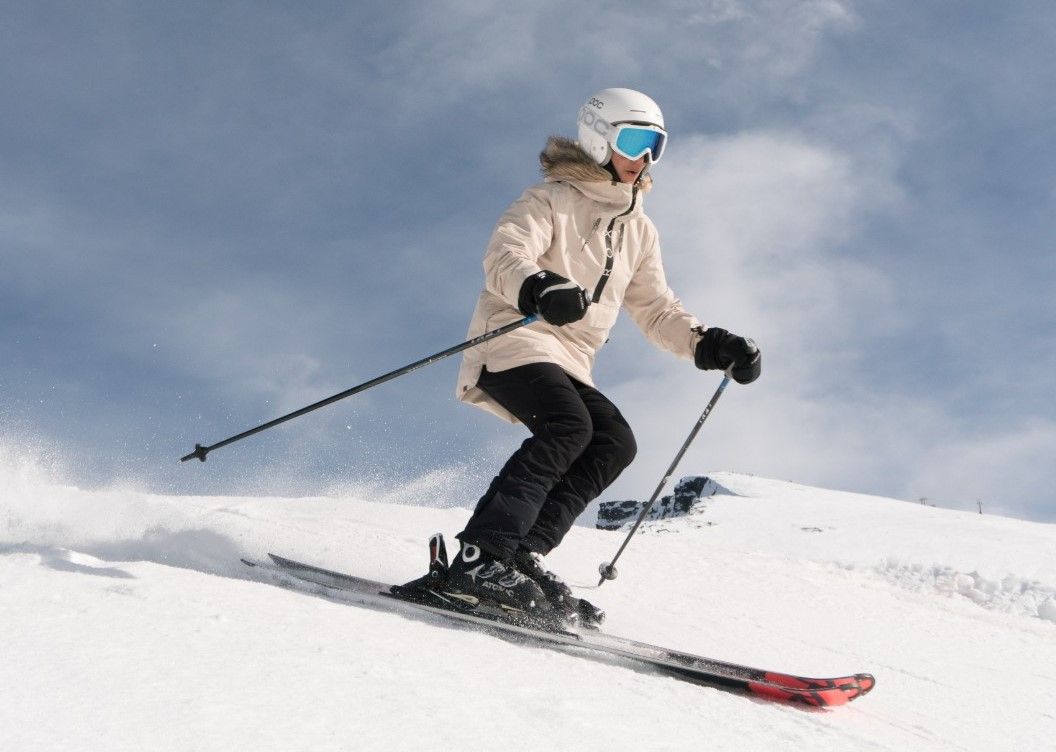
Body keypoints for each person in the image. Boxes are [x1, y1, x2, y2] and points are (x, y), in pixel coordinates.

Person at [444, 88, 761, 625]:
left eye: (657, 146)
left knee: (614, 443)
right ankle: (481, 556)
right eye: (635, 141)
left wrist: (707, 344)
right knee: (568, 427)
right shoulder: (549, 199)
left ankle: (520, 554)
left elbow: (657, 309)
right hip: (513, 336)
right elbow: (505, 253)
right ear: (598, 139)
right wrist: (538, 285)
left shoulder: (639, 230)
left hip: (571, 358)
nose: (645, 158)